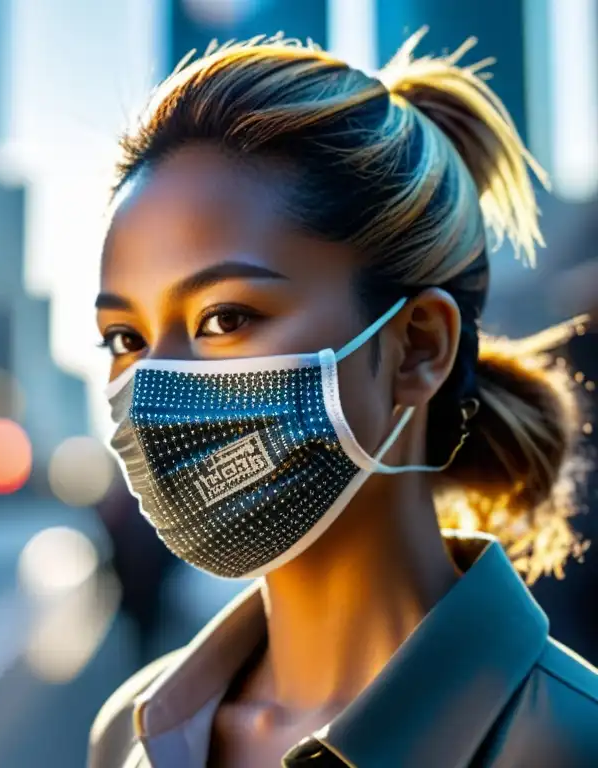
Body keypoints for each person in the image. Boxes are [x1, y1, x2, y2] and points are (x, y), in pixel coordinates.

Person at [88, 30, 598, 768]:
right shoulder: (129, 737)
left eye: (226, 319)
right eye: (125, 339)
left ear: (418, 347)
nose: (153, 388)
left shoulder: (571, 745)